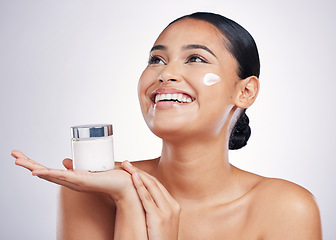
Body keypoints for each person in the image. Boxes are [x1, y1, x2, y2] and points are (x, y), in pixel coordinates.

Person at [12, 12, 322, 239]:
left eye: (196, 59)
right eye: (156, 60)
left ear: (245, 91)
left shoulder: (286, 208)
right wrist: (127, 199)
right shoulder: (92, 190)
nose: (165, 74)